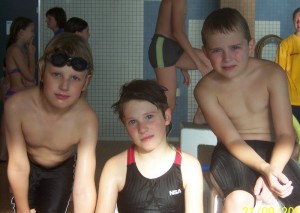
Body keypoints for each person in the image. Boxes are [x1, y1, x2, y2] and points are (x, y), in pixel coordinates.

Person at [194, 8, 300, 212]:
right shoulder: (205, 89)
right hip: (232, 153)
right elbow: (232, 140)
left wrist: (273, 171)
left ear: (250, 45)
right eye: (217, 51)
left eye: (235, 47)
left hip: (275, 151)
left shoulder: (272, 74)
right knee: (238, 202)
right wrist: (265, 169)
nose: (227, 58)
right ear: (206, 52)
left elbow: (286, 134)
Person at [4, 33, 98, 213]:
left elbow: (84, 187)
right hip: (27, 166)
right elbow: (17, 165)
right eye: (56, 74)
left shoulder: (86, 120)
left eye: (75, 78)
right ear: (41, 72)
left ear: (86, 82)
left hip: (60, 170)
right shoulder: (16, 107)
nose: (64, 86)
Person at [95, 79, 203, 213]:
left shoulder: (189, 167)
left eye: (149, 117)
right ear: (125, 127)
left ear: (167, 117)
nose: (142, 128)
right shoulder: (115, 167)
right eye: (133, 121)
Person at [148, 0, 212, 115]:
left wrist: (184, 67)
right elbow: (177, 32)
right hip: (162, 48)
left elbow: (179, 31)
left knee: (211, 62)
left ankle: (203, 112)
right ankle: (152, 124)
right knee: (169, 104)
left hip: (174, 48)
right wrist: (198, 63)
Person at [276, 7, 300, 122]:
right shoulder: (285, 44)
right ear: (293, 22)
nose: (299, 23)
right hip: (292, 99)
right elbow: (279, 72)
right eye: (297, 20)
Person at [4, 16, 36, 101]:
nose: (34, 34)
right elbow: (30, 77)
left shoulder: (22, 49)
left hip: (21, 94)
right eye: (32, 31)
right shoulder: (15, 50)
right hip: (16, 95)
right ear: (21, 32)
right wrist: (31, 55)